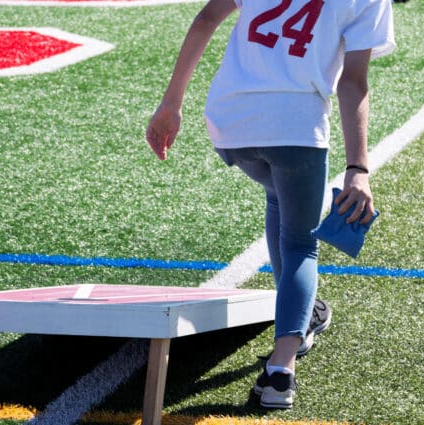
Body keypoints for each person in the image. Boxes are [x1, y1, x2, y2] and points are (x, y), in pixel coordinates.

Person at [146, 0, 395, 409]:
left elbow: (207, 17)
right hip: (295, 124)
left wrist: (171, 103)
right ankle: (281, 371)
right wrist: (358, 167)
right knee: (300, 243)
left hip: (230, 122)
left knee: (279, 197)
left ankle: (304, 310)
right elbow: (353, 81)